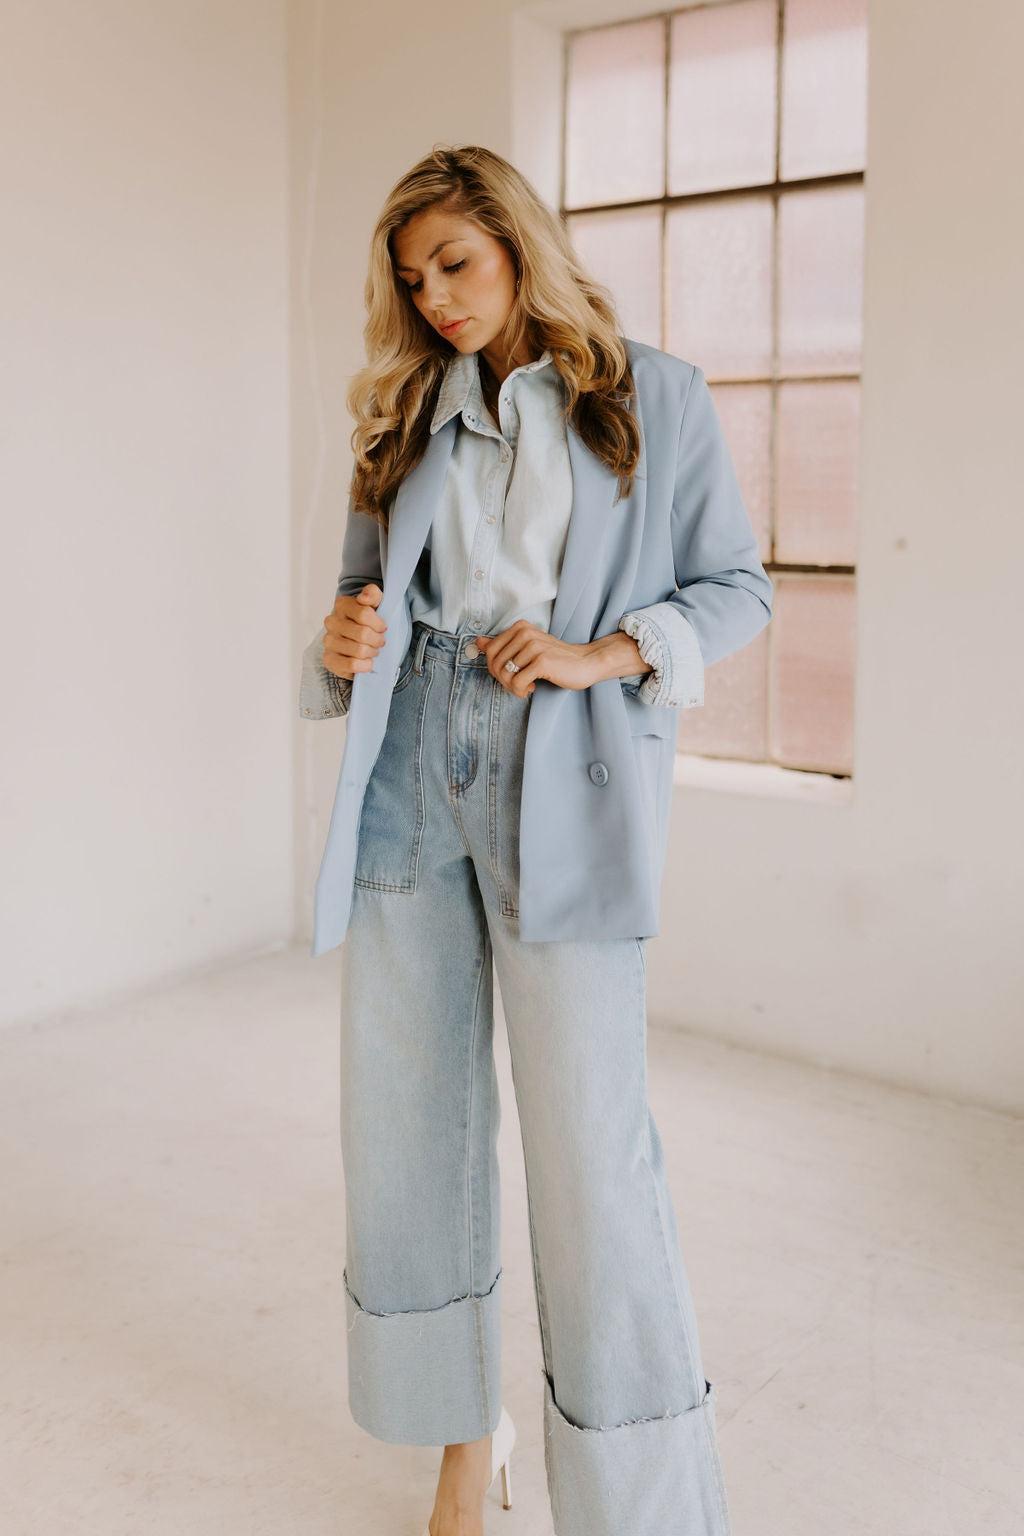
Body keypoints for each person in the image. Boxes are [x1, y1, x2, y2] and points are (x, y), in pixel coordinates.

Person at [299, 144, 772, 1536]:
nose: (435, 297)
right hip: (410, 766)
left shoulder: (651, 397)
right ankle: (465, 1436)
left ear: (519, 242)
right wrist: (341, 642)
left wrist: (605, 652)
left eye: (455, 262)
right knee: (409, 1129)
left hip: (559, 767)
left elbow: (740, 587)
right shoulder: (402, 417)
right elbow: (356, 608)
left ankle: (639, 1501)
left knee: (590, 1151)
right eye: (412, 278)